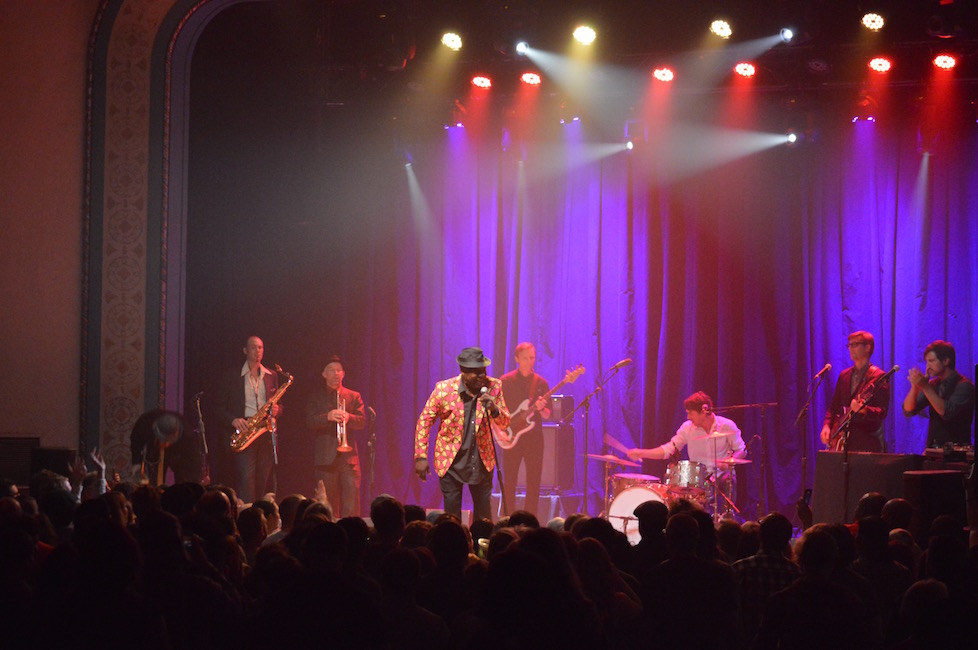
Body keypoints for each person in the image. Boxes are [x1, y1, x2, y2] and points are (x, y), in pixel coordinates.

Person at [414, 346, 510, 522]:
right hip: (451, 461)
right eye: (476, 372)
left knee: (483, 518)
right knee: (452, 518)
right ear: (463, 372)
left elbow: (505, 423)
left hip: (481, 460)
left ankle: (482, 540)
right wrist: (420, 456)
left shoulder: (493, 387)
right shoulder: (444, 390)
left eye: (483, 371)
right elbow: (424, 421)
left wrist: (494, 409)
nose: (482, 376)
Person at [627, 391, 746, 507]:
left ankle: (727, 515)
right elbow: (668, 449)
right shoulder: (687, 428)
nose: (688, 417)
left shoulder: (727, 425)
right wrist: (641, 453)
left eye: (691, 413)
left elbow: (741, 451)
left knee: (728, 479)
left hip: (721, 476)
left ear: (704, 411)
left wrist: (727, 463)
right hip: (699, 480)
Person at [218, 335, 283, 504]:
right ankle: (248, 514)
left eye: (260, 347)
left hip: (265, 433)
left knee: (262, 480)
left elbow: (279, 405)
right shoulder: (232, 375)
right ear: (245, 351)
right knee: (246, 481)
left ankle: (261, 513)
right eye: (253, 348)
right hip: (245, 430)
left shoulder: (271, 375)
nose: (258, 351)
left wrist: (277, 410)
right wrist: (233, 420)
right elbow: (218, 408)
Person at [306, 355, 366, 518]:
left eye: (339, 370)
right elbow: (309, 422)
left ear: (343, 374)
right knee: (328, 505)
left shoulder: (354, 396)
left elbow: (362, 421)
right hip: (325, 458)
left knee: (351, 504)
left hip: (349, 458)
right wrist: (328, 416)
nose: (336, 374)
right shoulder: (316, 396)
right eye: (332, 370)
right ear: (324, 374)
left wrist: (349, 417)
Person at [498, 342, 551, 517]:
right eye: (525, 358)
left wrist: (541, 409)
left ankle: (530, 520)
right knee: (509, 482)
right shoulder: (506, 381)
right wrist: (500, 431)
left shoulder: (541, 383)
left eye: (532, 358)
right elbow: (496, 410)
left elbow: (548, 415)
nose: (529, 362)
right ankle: (507, 518)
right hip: (511, 436)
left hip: (534, 439)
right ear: (517, 359)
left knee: (533, 482)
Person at [820, 330, 889, 452]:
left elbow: (882, 412)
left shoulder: (878, 377)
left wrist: (864, 410)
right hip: (844, 442)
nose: (851, 348)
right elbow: (834, 407)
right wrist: (827, 425)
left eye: (855, 344)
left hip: (867, 443)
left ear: (867, 347)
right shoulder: (844, 375)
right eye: (850, 345)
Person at [902, 340, 975, 448]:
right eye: (926, 362)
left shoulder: (964, 386)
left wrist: (925, 387)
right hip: (933, 449)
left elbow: (946, 412)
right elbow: (908, 411)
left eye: (931, 361)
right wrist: (915, 388)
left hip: (956, 451)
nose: (928, 366)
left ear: (946, 361)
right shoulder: (933, 385)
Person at [129, 409, 203, 486]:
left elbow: (194, 460)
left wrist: (191, 481)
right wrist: (136, 463)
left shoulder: (187, 435)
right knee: (154, 477)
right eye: (163, 441)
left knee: (182, 477)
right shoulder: (145, 423)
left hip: (178, 452)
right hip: (154, 447)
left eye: (168, 441)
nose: (166, 445)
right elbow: (136, 441)